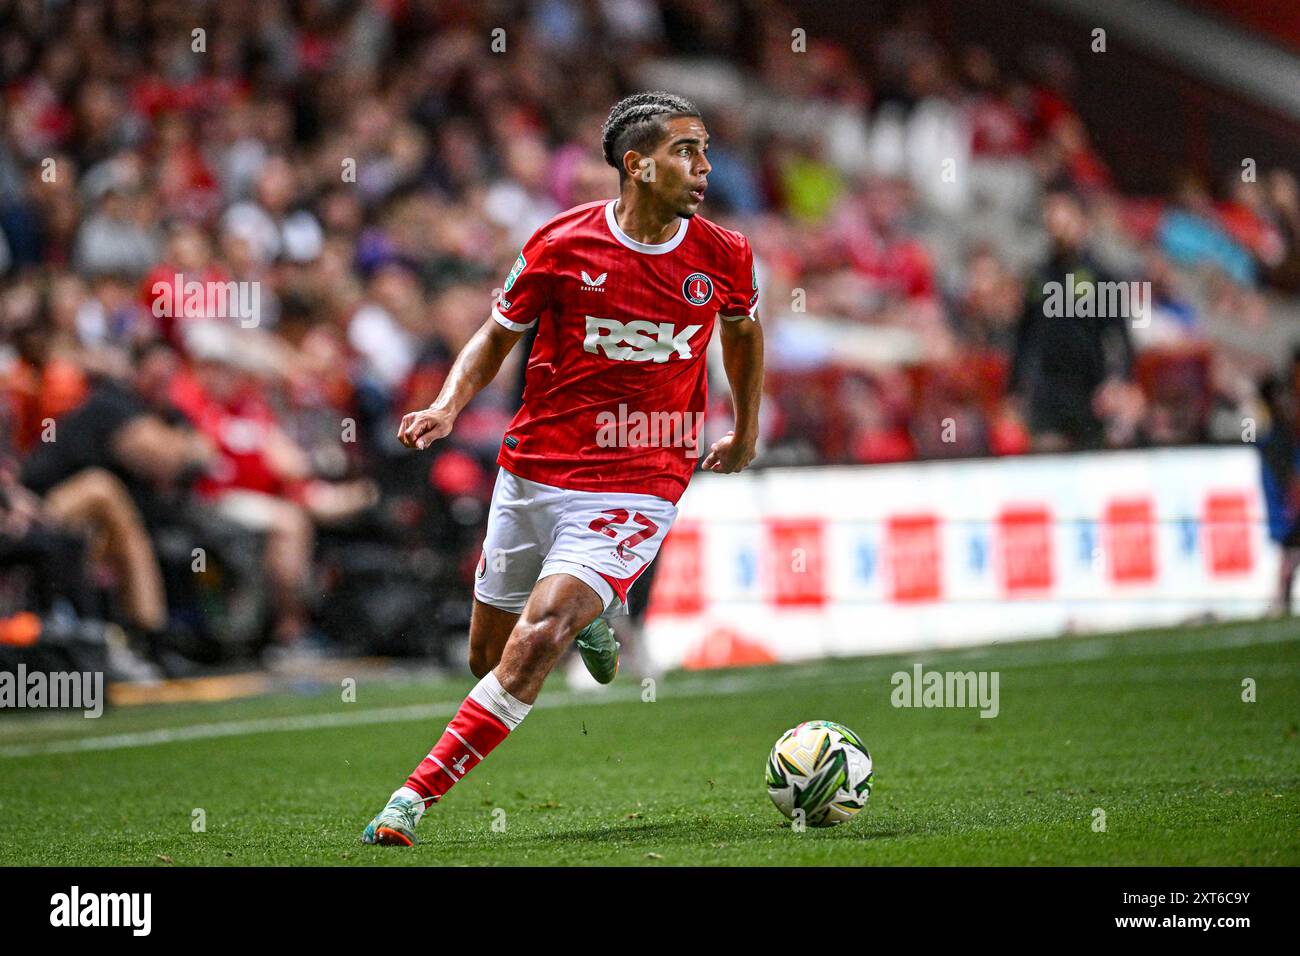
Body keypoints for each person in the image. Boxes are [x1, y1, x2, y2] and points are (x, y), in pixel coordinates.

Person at [361, 92, 765, 846]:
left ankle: (408, 802)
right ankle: (596, 616)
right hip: (536, 469)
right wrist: (448, 406)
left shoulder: (724, 255)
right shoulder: (559, 243)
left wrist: (741, 429)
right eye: (688, 150)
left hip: (643, 477)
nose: (705, 166)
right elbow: (494, 333)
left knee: (537, 636)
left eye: (706, 149)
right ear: (637, 166)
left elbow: (741, 333)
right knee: (488, 657)